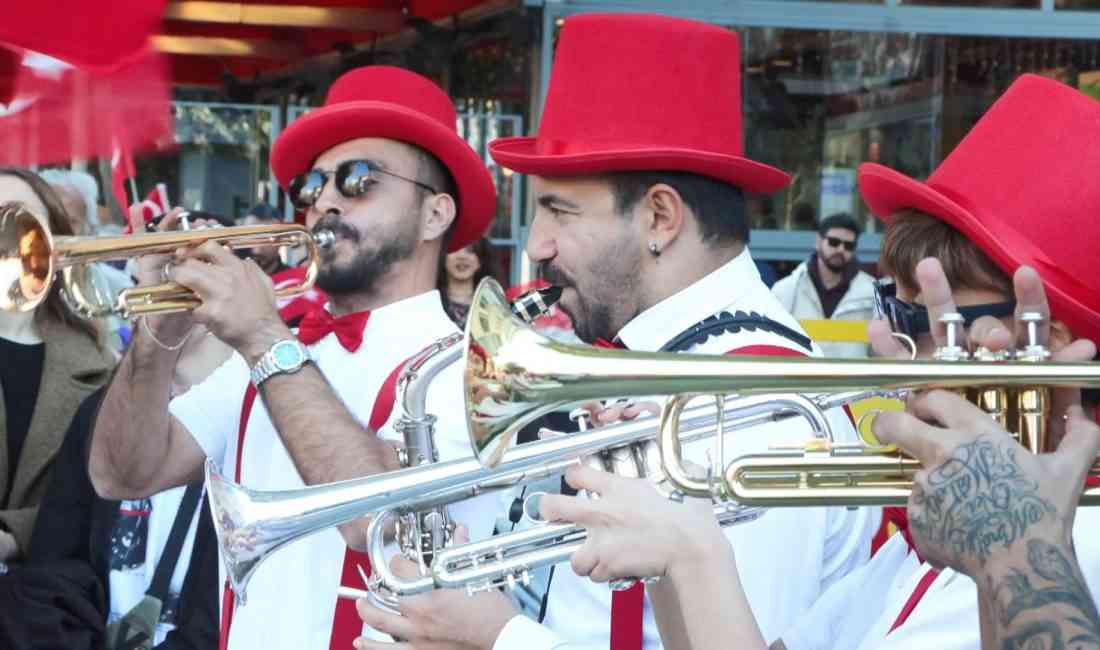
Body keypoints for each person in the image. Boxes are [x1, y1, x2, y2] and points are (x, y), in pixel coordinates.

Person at [354, 14, 878, 650]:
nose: (537, 244)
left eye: (558, 211)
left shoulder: (759, 409)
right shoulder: (649, 357)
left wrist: (495, 638)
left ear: (659, 217)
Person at [528, 73, 1100, 650]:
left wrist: (693, 555)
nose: (887, 343)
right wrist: (676, 542)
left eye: (921, 320)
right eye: (888, 305)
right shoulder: (945, 535)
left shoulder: (1078, 537)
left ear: (1041, 339)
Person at [87, 65, 500, 650]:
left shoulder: (466, 369)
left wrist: (262, 336)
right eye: (311, 186)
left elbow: (375, 525)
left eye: (358, 179)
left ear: (435, 214)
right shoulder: (286, 347)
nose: (324, 200)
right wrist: (156, 335)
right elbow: (122, 473)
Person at [0, 168, 115, 571]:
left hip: (41, 602)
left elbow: (103, 493)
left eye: (21, 216)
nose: (7, 233)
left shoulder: (99, 359)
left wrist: (18, 536)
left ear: (56, 238)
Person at [39, 168, 133, 352]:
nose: (58, 230)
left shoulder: (118, 285)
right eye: (51, 219)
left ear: (89, 229)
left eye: (71, 221)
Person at [771, 212, 876, 358]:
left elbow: (878, 351)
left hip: (852, 380)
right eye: (834, 242)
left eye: (849, 246)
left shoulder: (871, 293)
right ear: (818, 242)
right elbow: (774, 346)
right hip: (800, 378)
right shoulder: (786, 289)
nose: (841, 249)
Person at [439, 237, 495, 328]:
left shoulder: (493, 306)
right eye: (455, 249)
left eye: (470, 251)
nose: (462, 256)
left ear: (480, 261)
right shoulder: (431, 303)